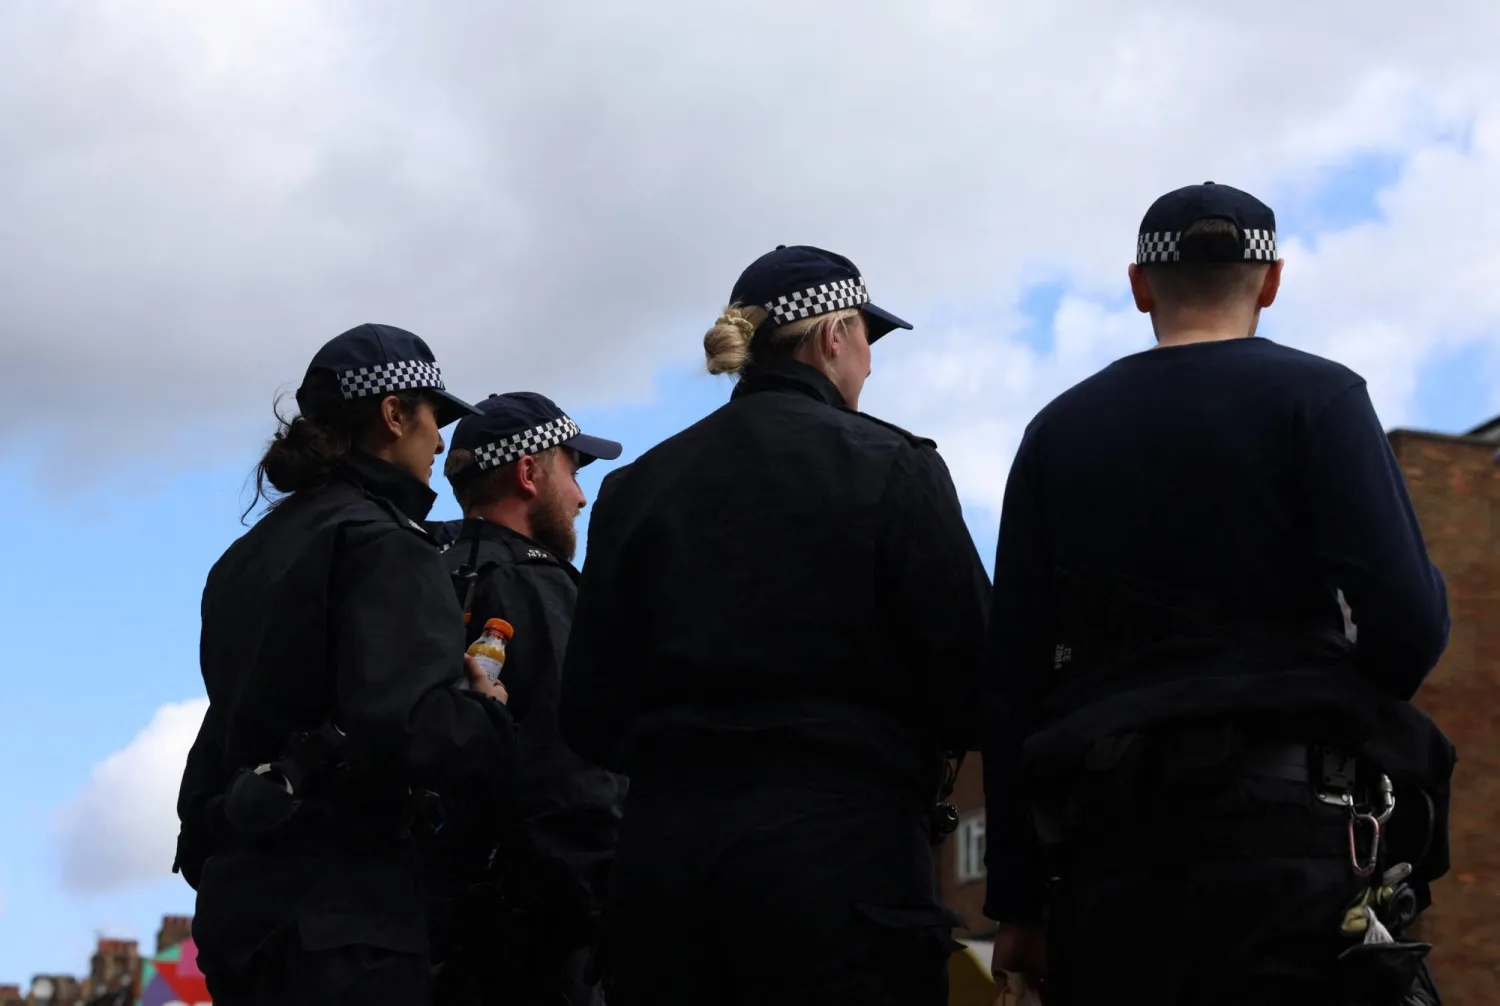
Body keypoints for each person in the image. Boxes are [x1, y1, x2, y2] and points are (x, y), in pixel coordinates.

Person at [982, 183, 1454, 1005]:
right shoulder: (1321, 398)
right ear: (1270, 280)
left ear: (1139, 286)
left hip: (1109, 851)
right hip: (1295, 847)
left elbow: (1013, 680)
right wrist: (1338, 713)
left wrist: (1017, 902)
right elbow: (1409, 622)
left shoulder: (1057, 431)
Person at [559, 245, 990, 1006]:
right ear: (833, 336)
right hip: (844, 874)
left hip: (668, 882)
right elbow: (975, 683)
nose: (868, 365)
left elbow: (589, 715)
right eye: (867, 341)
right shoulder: (892, 465)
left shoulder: (635, 491)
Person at [174, 323, 516, 1006]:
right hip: (348, 925)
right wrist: (486, 712)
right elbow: (412, 728)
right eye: (433, 418)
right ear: (394, 415)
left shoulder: (242, 558)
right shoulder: (386, 544)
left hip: (241, 915)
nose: (441, 441)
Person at [424, 392, 626, 1006]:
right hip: (541, 937)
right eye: (571, 470)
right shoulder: (534, 586)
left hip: (429, 923)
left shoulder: (420, 571)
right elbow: (574, 769)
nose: (582, 497)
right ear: (529, 472)